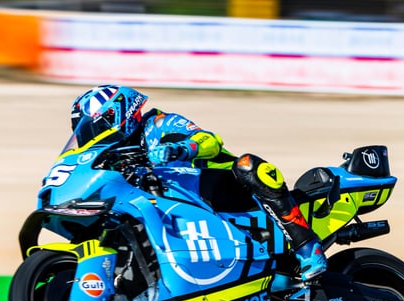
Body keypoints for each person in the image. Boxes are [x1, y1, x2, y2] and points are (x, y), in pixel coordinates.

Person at [70, 84, 327, 281]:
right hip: (184, 215)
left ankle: (307, 248)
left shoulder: (158, 124)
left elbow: (210, 140)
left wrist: (180, 149)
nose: (89, 136)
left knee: (248, 164)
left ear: (116, 114)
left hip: (224, 189)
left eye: (93, 127)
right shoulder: (115, 157)